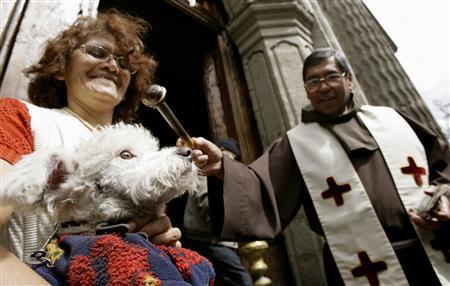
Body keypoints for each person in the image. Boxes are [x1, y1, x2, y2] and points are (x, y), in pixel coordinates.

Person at [187, 48, 450, 285]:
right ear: (306, 89)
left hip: (432, 252)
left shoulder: (394, 120)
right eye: (313, 81)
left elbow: (444, 169)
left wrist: (445, 198)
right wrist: (223, 165)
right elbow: (258, 187)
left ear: (349, 79)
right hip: (359, 269)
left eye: (331, 76)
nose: (323, 87)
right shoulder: (297, 144)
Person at [0, 10, 182, 285]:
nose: (112, 65)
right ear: (61, 66)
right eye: (98, 52)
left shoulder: (145, 156)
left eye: (124, 62)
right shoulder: (20, 116)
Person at [183, 138, 253, 286]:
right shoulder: (206, 172)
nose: (227, 162)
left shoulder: (230, 176)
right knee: (242, 282)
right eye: (225, 156)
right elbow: (207, 207)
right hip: (209, 240)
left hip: (223, 241)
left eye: (231, 159)